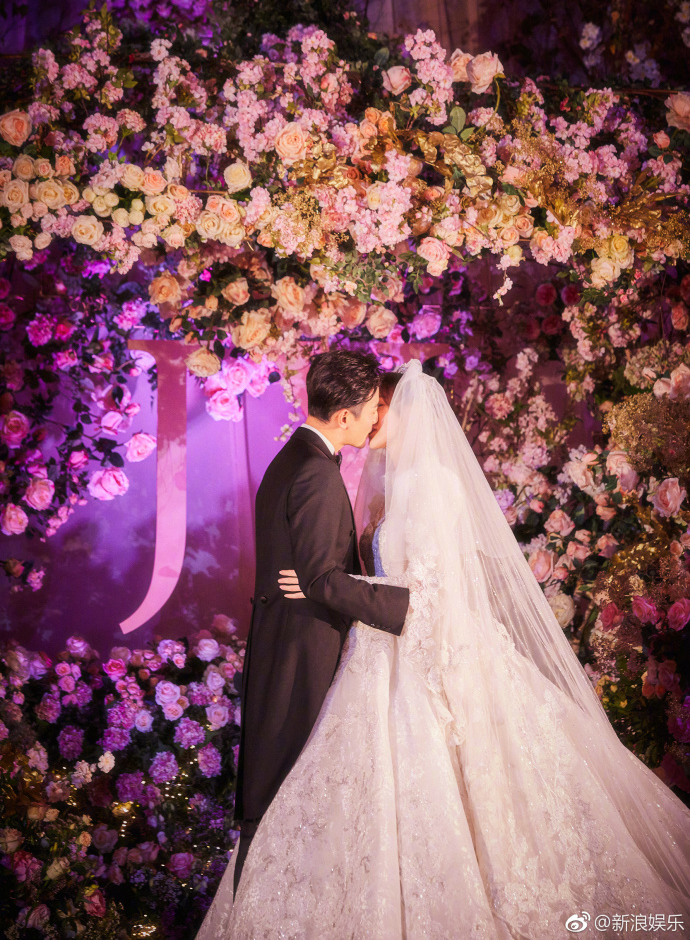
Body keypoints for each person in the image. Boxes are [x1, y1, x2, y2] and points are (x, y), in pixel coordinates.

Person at [198, 360, 690, 939]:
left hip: (421, 643)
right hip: (382, 647)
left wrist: (327, 583)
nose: (376, 418)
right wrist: (326, 581)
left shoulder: (429, 481)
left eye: (383, 408)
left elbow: (435, 588)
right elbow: (365, 572)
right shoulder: (371, 478)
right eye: (372, 408)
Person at [225, 350, 409, 900]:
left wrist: (315, 579)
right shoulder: (317, 474)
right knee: (285, 796)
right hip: (302, 651)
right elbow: (323, 579)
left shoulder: (292, 459)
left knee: (279, 793)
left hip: (288, 641)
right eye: (371, 408)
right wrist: (410, 608)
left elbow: (314, 573)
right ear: (345, 416)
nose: (376, 418)